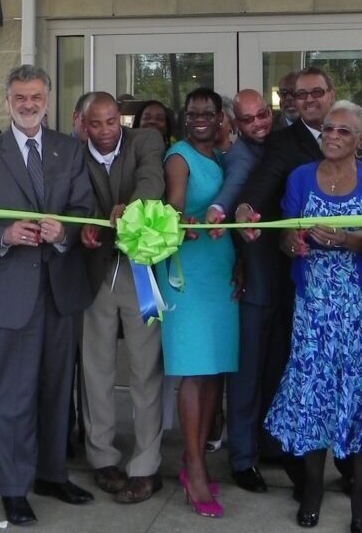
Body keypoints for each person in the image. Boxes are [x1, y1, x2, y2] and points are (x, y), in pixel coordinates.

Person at [0, 65, 95, 527]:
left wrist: (66, 231)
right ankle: (14, 488)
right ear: (7, 101)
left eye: (36, 96)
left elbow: (85, 211)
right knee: (12, 396)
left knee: (57, 390)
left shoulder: (69, 149)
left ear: (48, 98)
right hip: (11, 292)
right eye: (19, 96)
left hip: (60, 290)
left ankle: (52, 474)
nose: (28, 104)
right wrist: (4, 235)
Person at [265, 101, 362, 533]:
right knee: (313, 394)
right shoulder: (301, 177)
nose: (332, 136)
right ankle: (314, 486)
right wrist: (294, 245)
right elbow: (287, 234)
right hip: (314, 304)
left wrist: (339, 238)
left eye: (344, 131)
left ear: (359, 140)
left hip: (360, 306)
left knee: (361, 395)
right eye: (328, 129)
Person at [235, 66, 337, 497]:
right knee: (263, 366)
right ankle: (251, 455)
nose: (309, 99)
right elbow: (260, 188)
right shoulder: (282, 142)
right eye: (300, 94)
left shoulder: (351, 133)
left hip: (335, 284)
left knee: (315, 371)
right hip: (282, 275)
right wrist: (244, 210)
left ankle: (312, 455)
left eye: (317, 92)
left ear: (332, 94)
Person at [155, 87, 239, 519]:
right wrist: (179, 218)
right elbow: (175, 205)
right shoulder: (180, 157)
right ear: (184, 118)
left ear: (222, 116)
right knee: (192, 372)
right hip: (187, 274)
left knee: (212, 375)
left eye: (209, 112)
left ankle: (199, 458)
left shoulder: (226, 157)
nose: (201, 118)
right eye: (193, 113)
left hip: (220, 269)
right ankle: (193, 464)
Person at [79, 92, 166, 503]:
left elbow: (152, 182)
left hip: (138, 271)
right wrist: (83, 226)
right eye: (95, 124)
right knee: (96, 369)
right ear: (83, 124)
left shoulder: (146, 140)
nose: (105, 131)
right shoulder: (73, 151)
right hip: (94, 270)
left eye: (111, 121)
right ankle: (102, 458)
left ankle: (146, 465)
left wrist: (129, 210)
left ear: (121, 120)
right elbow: (72, 198)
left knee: (145, 371)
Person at [204, 88, 275, 493]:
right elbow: (232, 194)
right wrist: (219, 210)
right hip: (252, 279)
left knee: (274, 370)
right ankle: (243, 458)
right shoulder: (240, 156)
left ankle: (270, 448)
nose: (258, 123)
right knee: (246, 376)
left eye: (263, 113)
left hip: (287, 277)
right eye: (248, 120)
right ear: (235, 123)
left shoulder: (282, 141)